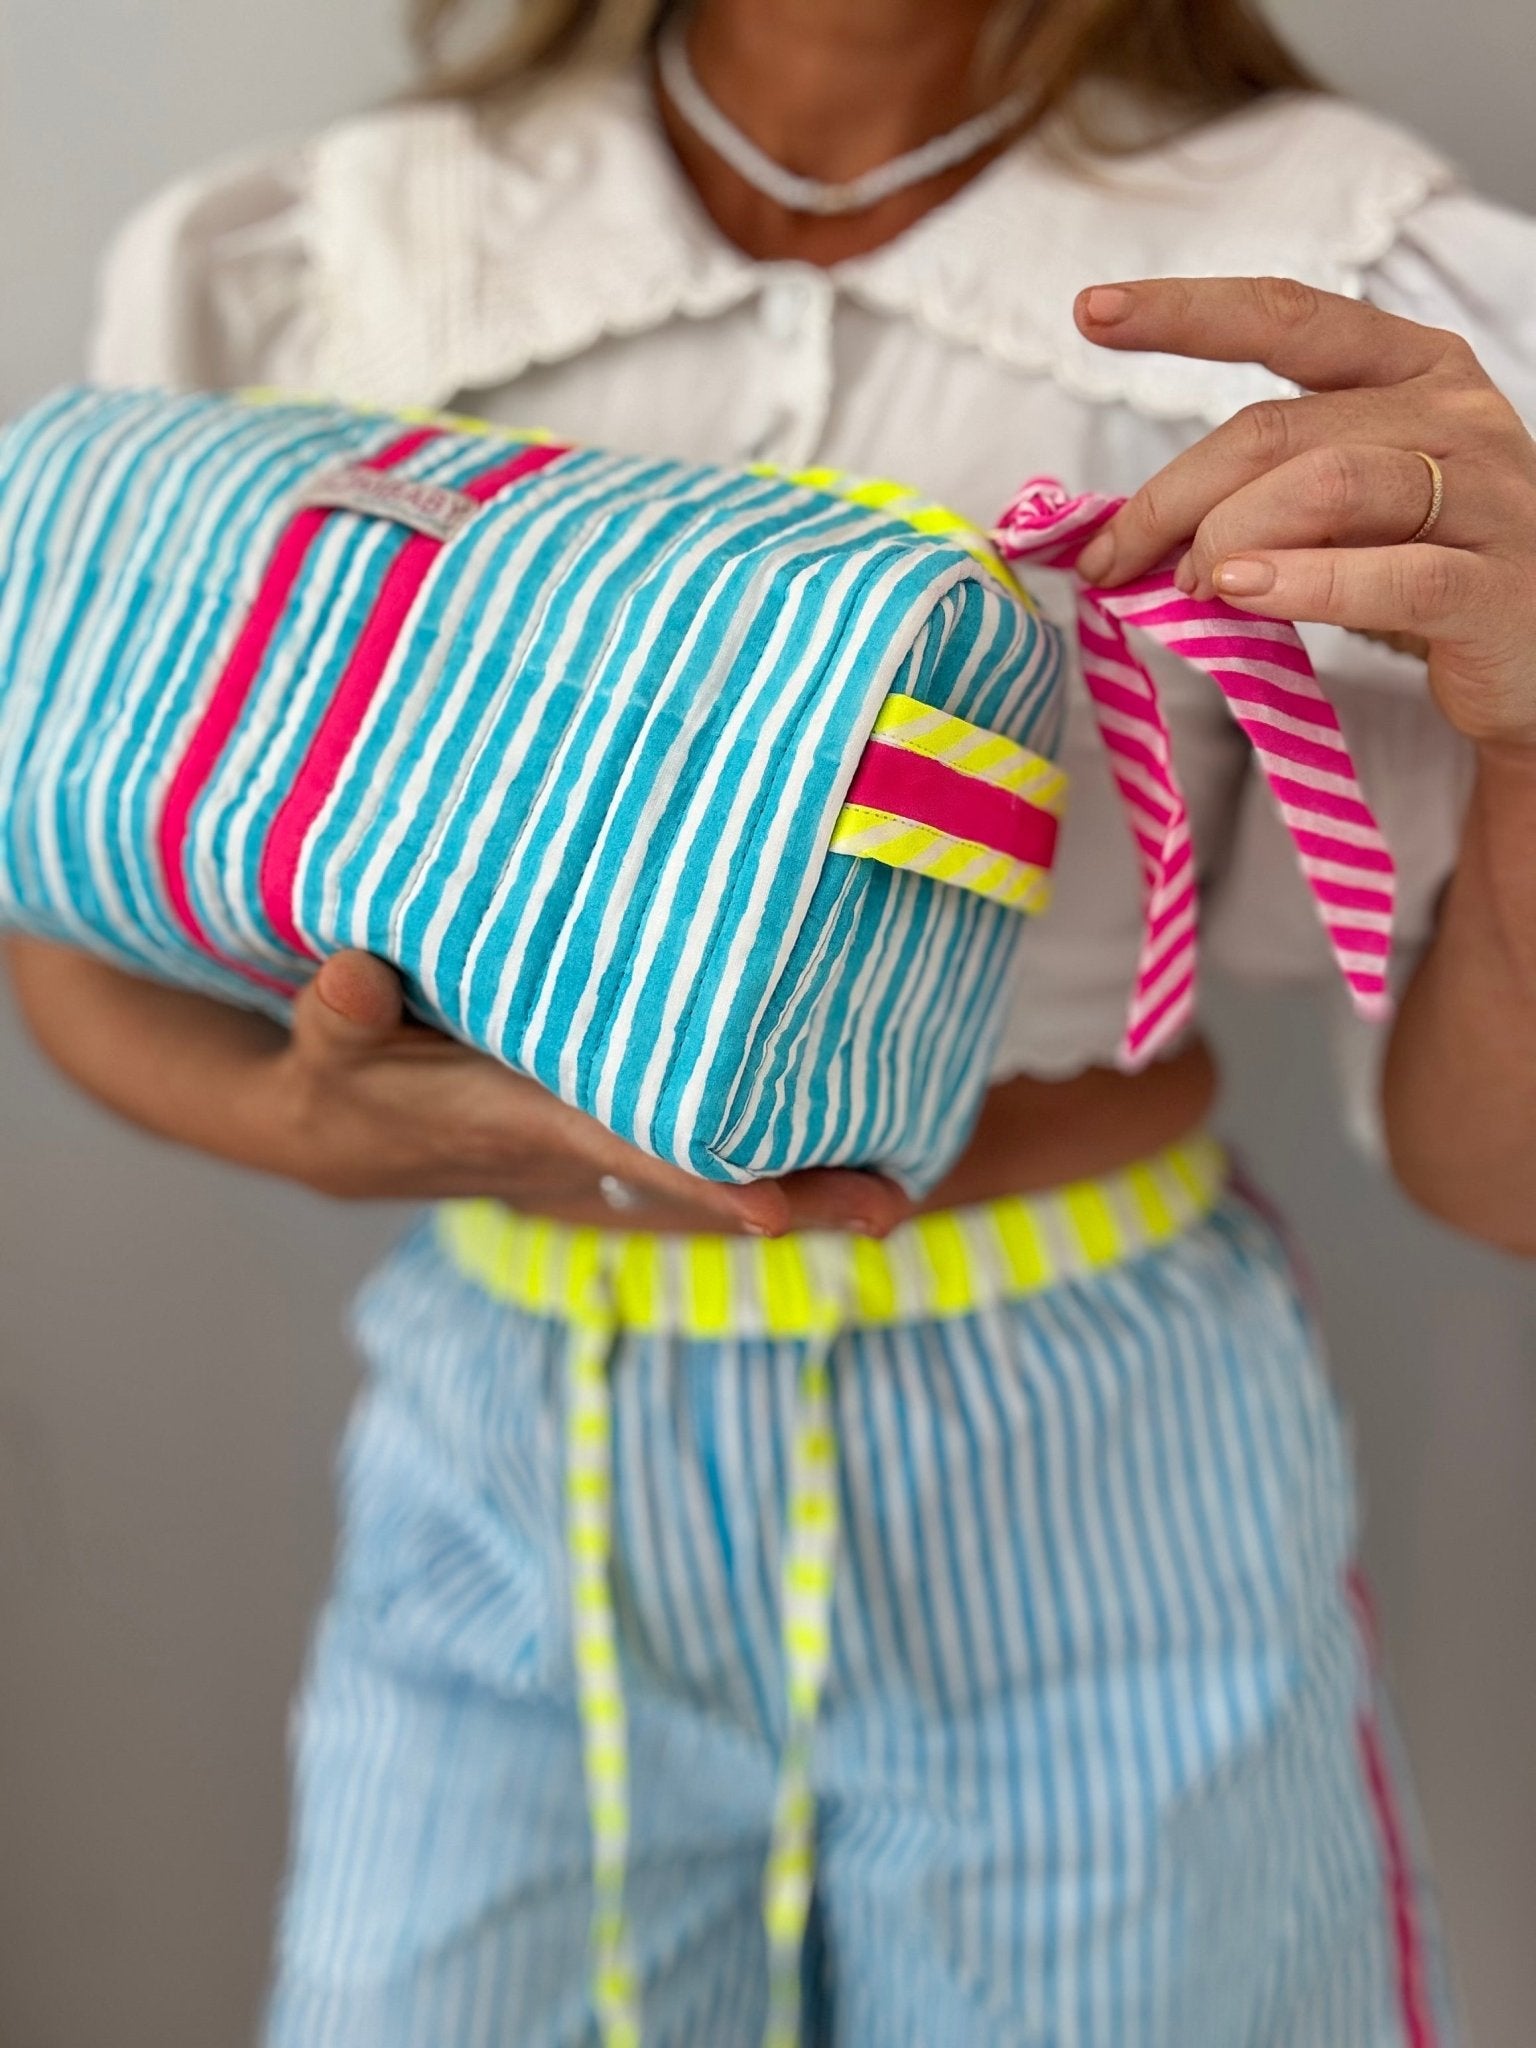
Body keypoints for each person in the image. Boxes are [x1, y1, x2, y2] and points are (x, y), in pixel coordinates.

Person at [9, 0, 1536, 2040]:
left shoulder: (1363, 287)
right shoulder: (313, 250)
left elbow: (1491, 1175)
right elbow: (75, 906)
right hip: (504, 1459)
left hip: (1097, 1477)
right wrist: (328, 1128)